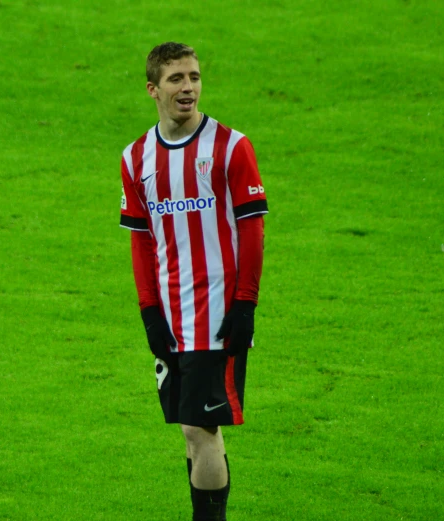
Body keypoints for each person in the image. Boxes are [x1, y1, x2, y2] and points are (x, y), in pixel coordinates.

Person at [119, 42, 268, 521]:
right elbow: (141, 242)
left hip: (216, 315)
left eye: (195, 77)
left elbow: (253, 229)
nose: (188, 88)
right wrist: (148, 313)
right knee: (188, 429)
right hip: (170, 316)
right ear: (152, 89)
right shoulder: (135, 156)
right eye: (176, 79)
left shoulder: (230, 146)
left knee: (198, 429)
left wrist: (245, 304)